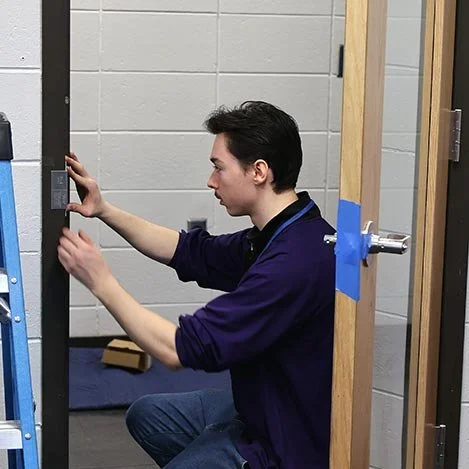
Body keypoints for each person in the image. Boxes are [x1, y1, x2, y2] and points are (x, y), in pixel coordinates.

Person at [58, 101, 336, 469]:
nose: (211, 180)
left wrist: (101, 281)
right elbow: (188, 251)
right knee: (147, 416)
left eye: (219, 168)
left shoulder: (291, 265)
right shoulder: (285, 232)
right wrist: (104, 209)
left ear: (258, 171)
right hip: (260, 403)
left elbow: (177, 350)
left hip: (285, 444)